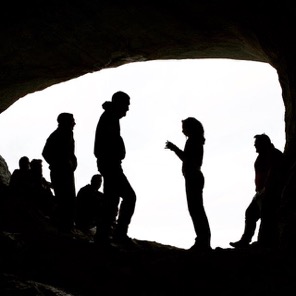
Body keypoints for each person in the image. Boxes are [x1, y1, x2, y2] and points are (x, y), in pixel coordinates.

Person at [94, 91, 136, 247]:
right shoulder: (110, 118)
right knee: (129, 197)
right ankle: (119, 234)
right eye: (126, 105)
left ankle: (103, 235)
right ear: (119, 103)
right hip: (110, 164)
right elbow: (107, 145)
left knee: (111, 200)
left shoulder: (110, 117)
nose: (127, 109)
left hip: (109, 164)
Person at [230, 134, 285, 249]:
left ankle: (263, 242)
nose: (255, 146)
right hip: (261, 192)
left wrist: (267, 189)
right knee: (251, 213)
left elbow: (275, 175)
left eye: (257, 144)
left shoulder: (274, 155)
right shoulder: (263, 156)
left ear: (263, 144)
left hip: (270, 193)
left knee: (266, 216)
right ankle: (246, 240)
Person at [165, 117, 211, 251]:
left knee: (196, 210)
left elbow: (187, 158)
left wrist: (174, 149)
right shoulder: (196, 141)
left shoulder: (193, 141)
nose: (182, 131)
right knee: (196, 209)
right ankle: (202, 240)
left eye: (184, 128)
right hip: (193, 177)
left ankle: (203, 241)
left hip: (193, 177)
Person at [42, 112, 77, 232]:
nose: (74, 123)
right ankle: (62, 227)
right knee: (64, 199)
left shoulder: (67, 134)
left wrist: (71, 162)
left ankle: (67, 227)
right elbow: (46, 153)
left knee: (69, 199)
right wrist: (59, 163)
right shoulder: (57, 135)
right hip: (60, 172)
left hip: (66, 172)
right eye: (72, 120)